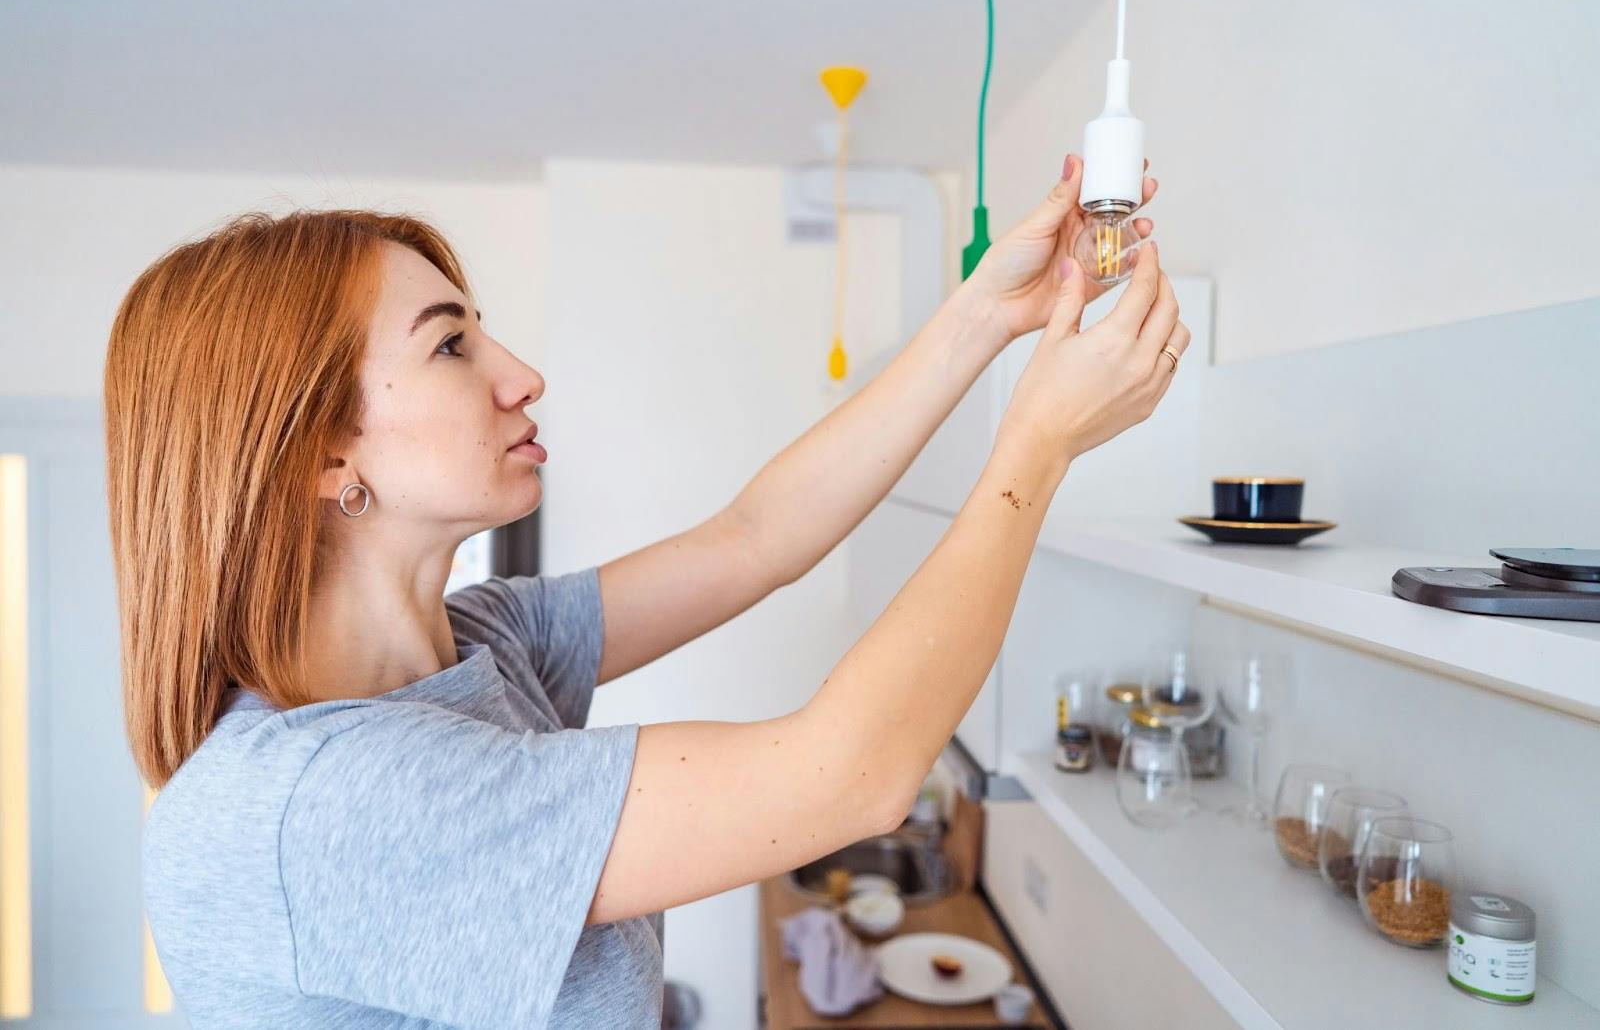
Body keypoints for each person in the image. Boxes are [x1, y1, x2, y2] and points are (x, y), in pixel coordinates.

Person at [107, 154, 1186, 1028]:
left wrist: (980, 321)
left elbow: (754, 539)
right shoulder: (323, 806)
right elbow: (844, 778)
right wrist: (1037, 444)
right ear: (320, 455)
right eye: (450, 343)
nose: (520, 372)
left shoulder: (476, 647)